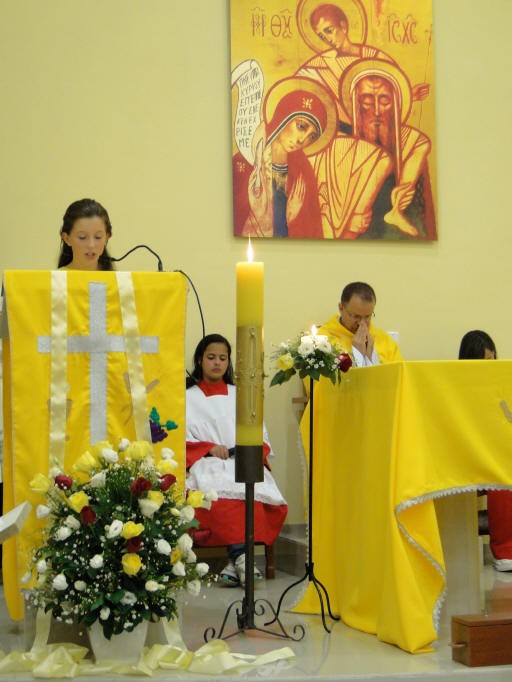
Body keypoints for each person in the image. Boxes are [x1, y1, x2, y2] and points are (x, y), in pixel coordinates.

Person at [185, 334, 288, 587]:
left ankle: (236, 563)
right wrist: (209, 448)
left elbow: (259, 432)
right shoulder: (188, 398)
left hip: (241, 458)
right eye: (211, 357)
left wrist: (247, 449)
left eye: (223, 358)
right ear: (199, 360)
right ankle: (243, 559)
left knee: (251, 489)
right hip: (208, 462)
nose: (217, 363)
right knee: (218, 496)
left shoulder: (241, 395)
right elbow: (180, 438)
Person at [233, 76, 337, 238]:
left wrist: (291, 216)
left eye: (312, 137)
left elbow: (309, 231)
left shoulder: (303, 172)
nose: (302, 140)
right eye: (301, 126)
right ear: (284, 116)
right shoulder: (247, 159)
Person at [458, 330, 512, 572]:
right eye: (483, 361)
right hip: (469, 458)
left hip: (494, 453)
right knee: (502, 478)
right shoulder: (456, 389)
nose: (488, 366)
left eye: (491, 360)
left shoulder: (499, 386)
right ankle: (505, 552)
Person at [317, 281, 402, 366]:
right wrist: (357, 354)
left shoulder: (385, 340)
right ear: (341, 308)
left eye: (367, 316)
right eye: (356, 316)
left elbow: (400, 372)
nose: (362, 323)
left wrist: (372, 357)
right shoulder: (322, 340)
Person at [58, 198, 114, 270]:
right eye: (82, 237)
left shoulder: (117, 276)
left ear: (107, 237)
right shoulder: (58, 276)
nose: (91, 245)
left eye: (98, 237)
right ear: (66, 238)